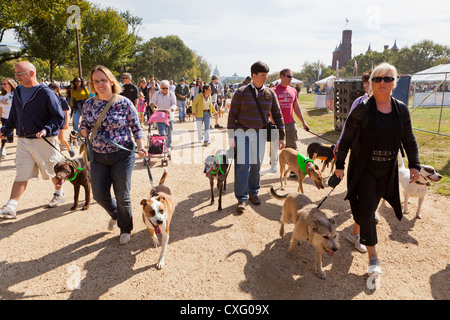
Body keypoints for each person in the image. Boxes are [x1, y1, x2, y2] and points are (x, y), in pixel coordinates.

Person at [334, 63, 421, 275]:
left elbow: (409, 138)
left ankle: (354, 233)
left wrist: (414, 163)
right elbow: (346, 139)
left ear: (394, 83)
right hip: (364, 168)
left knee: (369, 206)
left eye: (388, 79)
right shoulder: (362, 109)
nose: (383, 83)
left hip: (387, 169)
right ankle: (373, 258)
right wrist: (339, 165)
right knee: (368, 208)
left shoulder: (401, 109)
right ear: (371, 83)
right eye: (377, 79)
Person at [79, 65, 147, 245]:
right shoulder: (89, 104)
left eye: (103, 80)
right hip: (98, 157)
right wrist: (82, 131)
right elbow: (83, 126)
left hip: (122, 155)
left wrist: (141, 146)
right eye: (96, 81)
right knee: (99, 195)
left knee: (122, 193)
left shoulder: (124, 103)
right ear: (92, 84)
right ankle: (117, 214)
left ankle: (125, 228)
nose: (100, 84)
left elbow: (136, 128)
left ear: (111, 81)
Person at [0, 61, 65, 219]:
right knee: (21, 173)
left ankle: (59, 193)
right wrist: (5, 131)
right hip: (23, 140)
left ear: (32, 73)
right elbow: (14, 116)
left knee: (53, 171)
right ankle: (11, 206)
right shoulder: (19, 91)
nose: (17, 77)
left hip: (44, 140)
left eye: (20, 73)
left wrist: (46, 129)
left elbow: (58, 117)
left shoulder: (46, 93)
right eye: (15, 73)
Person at [227, 61, 286, 214]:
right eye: (262, 75)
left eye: (266, 75)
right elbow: (232, 115)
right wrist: (231, 136)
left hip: (260, 134)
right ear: (253, 75)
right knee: (242, 165)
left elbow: (278, 115)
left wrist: (282, 136)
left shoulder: (270, 94)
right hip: (242, 134)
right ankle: (241, 198)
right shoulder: (241, 92)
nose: (265, 78)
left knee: (256, 165)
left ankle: (253, 193)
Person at [270, 68, 309, 174]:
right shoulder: (273, 91)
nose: (291, 79)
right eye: (288, 76)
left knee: (293, 147)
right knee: (276, 148)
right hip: (277, 124)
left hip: (290, 123)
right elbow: (269, 109)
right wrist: (273, 122)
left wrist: (303, 122)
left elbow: (296, 107)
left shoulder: (293, 90)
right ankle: (273, 166)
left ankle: (294, 170)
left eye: (291, 77)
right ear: (281, 77)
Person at [335, 71, 372, 153]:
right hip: (359, 144)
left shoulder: (383, 103)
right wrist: (340, 141)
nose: (367, 86)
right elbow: (348, 123)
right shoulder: (358, 102)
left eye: (369, 83)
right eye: (365, 83)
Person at [48, 82, 75, 157]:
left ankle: (69, 148)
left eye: (51, 90)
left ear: (57, 90)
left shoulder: (62, 100)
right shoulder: (49, 99)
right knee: (56, 140)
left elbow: (66, 112)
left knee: (61, 138)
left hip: (61, 122)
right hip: (52, 122)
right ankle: (58, 154)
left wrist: (66, 123)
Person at [149, 80, 177, 150]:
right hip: (160, 116)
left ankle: (169, 147)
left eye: (166, 88)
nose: (165, 89)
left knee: (169, 133)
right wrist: (153, 108)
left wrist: (170, 109)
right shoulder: (157, 94)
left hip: (169, 117)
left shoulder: (171, 94)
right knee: (162, 134)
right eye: (163, 88)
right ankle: (163, 148)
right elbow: (152, 102)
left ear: (168, 88)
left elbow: (174, 104)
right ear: (161, 88)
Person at [0, 78, 17, 157]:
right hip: (5, 117)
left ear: (10, 84)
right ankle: (3, 148)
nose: (3, 85)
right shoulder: (1, 96)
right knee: (4, 134)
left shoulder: (15, 94)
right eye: (2, 84)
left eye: (5, 84)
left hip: (15, 118)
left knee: (20, 133)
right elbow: (0, 108)